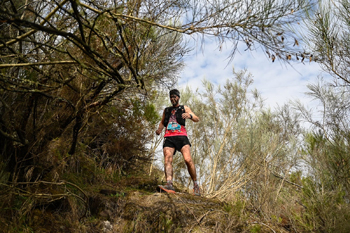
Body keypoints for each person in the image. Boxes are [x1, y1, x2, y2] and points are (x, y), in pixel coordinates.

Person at [156, 89, 200, 196]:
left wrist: (189, 116)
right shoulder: (166, 110)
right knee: (167, 158)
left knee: (188, 160)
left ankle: (196, 185)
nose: (173, 99)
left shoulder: (184, 108)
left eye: (174, 97)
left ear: (178, 97)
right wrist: (159, 129)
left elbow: (196, 118)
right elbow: (162, 122)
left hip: (181, 137)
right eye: (171, 97)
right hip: (169, 137)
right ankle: (169, 184)